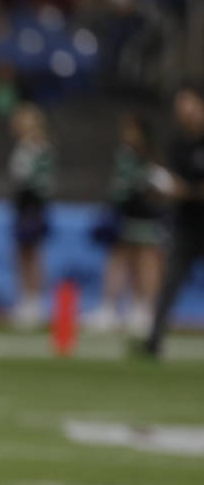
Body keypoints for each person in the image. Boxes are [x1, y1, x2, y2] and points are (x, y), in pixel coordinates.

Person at [87, 112, 167, 334]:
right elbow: (120, 187)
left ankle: (144, 308)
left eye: (131, 130)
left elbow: (157, 185)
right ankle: (110, 307)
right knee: (120, 258)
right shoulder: (125, 155)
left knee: (146, 259)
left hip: (145, 215)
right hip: (124, 215)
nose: (126, 135)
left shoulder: (150, 156)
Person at [141, 85, 204, 357]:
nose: (183, 110)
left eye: (188, 103)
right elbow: (171, 184)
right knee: (170, 282)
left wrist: (185, 191)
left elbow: (185, 188)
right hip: (187, 225)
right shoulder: (177, 144)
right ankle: (154, 339)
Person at [8, 102, 54, 329]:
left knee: (33, 252)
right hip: (22, 202)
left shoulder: (39, 147)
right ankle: (24, 298)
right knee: (21, 252)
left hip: (33, 203)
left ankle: (36, 300)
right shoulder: (22, 146)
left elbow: (42, 179)